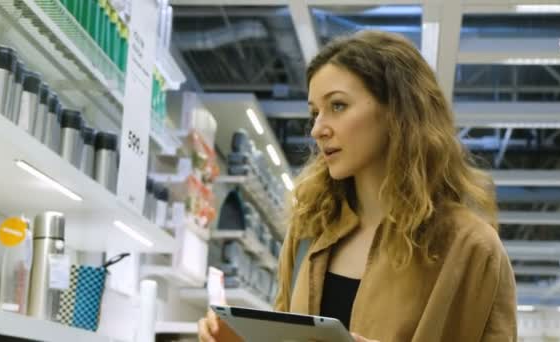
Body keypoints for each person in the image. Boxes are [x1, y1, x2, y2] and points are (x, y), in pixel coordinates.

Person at [199, 30, 517, 342]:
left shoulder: (470, 247)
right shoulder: (309, 233)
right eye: (314, 113)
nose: (317, 129)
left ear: (397, 111)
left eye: (337, 106)